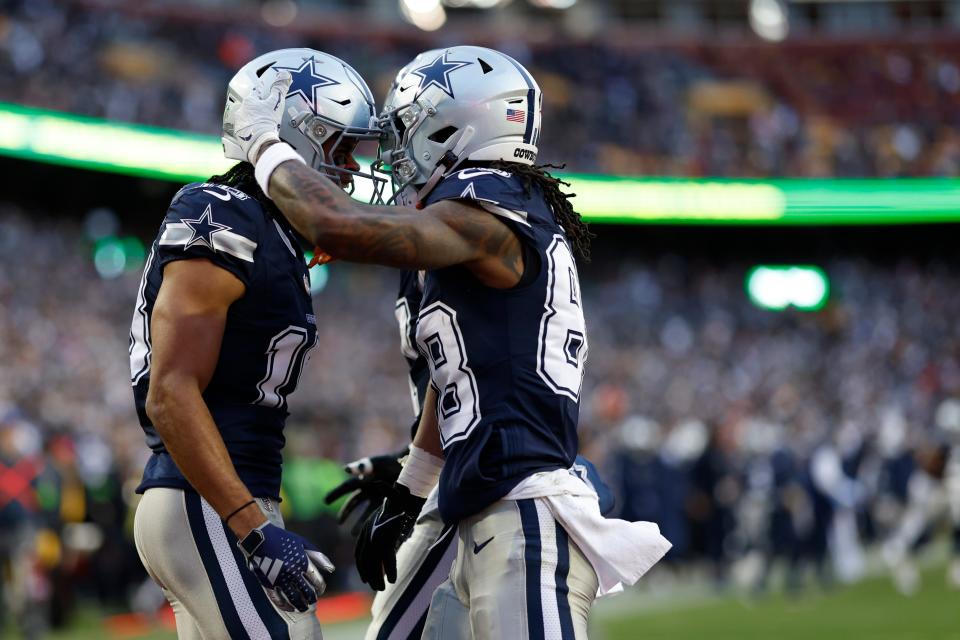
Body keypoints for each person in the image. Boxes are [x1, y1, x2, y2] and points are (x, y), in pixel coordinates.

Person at [225, 45, 671, 639]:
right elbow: (454, 373)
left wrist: (264, 145)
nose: (391, 156)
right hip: (475, 498)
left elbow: (341, 227)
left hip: (525, 505)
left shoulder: (487, 209)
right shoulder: (469, 226)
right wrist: (409, 487)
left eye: (406, 132)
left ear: (452, 128)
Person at [128, 47, 383, 640]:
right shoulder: (224, 212)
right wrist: (252, 526)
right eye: (340, 149)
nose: (349, 170)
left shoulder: (277, 238)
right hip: (204, 502)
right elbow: (169, 392)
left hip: (233, 501)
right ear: (296, 136)